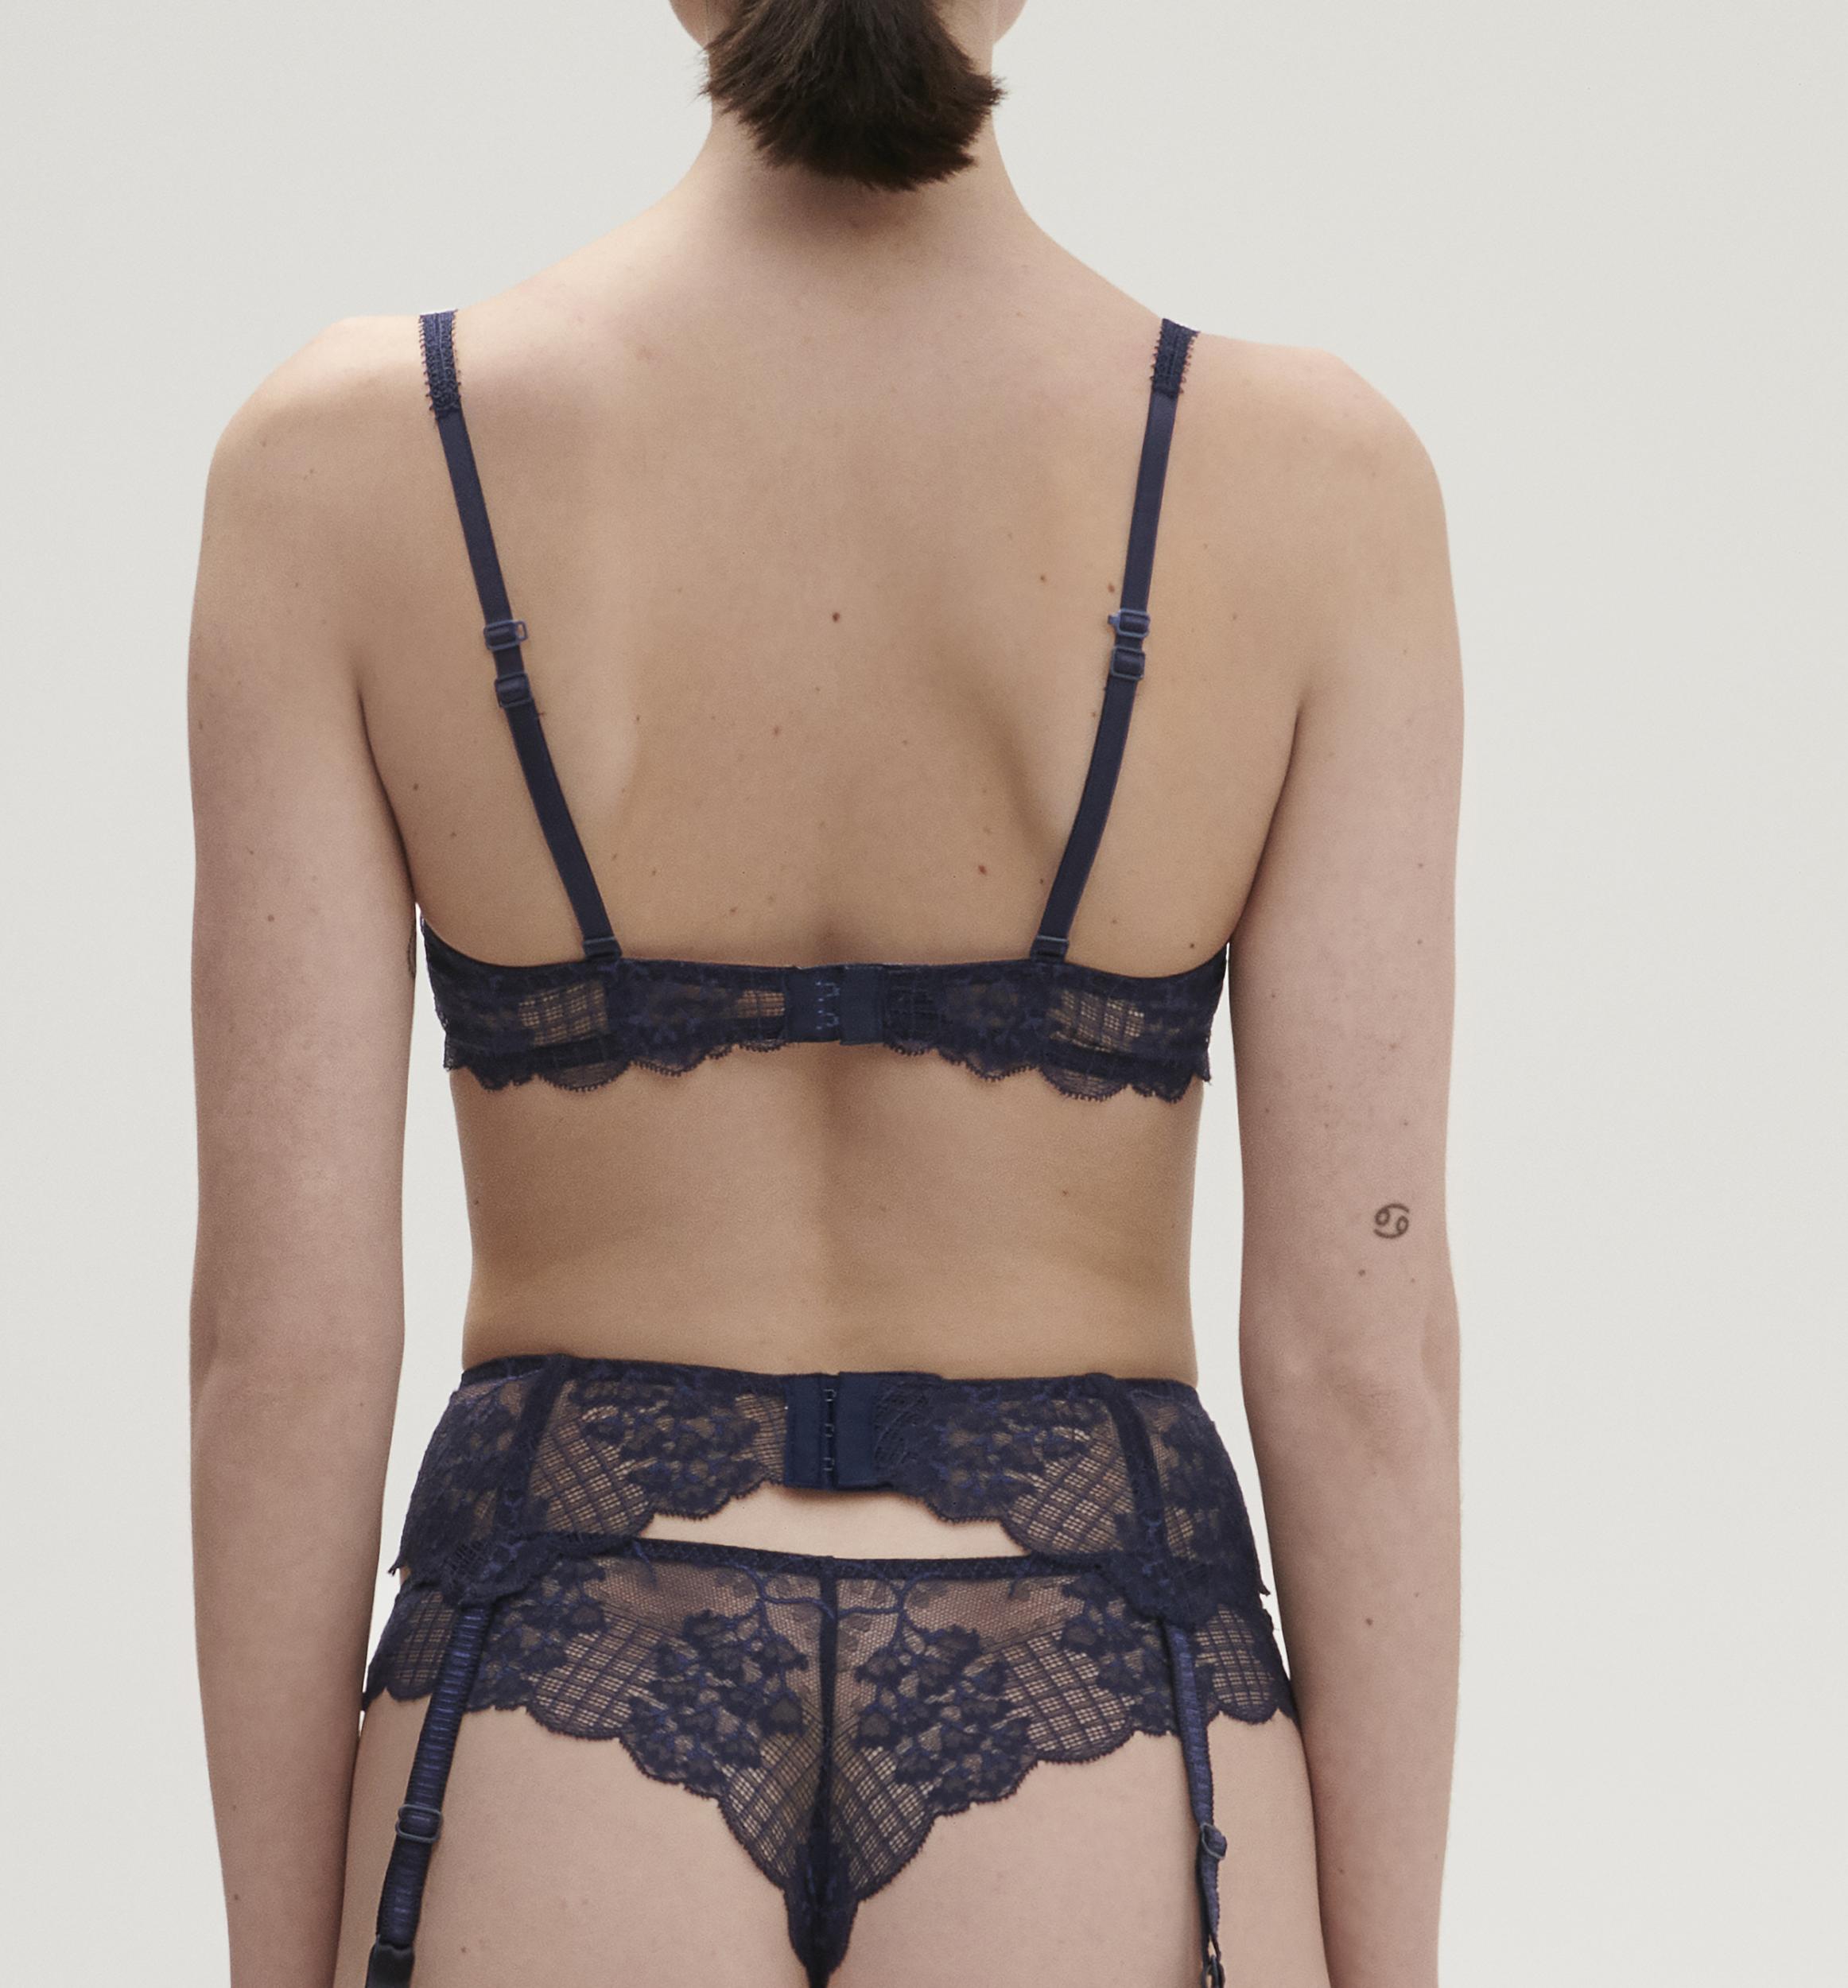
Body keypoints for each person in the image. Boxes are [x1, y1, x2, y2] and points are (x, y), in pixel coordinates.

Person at [187, 4, 1462, 1985]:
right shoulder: (1310, 482)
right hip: (1105, 1712)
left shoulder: (357, 456)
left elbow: (280, 1350)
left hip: (550, 1699)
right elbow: (1356, 1357)